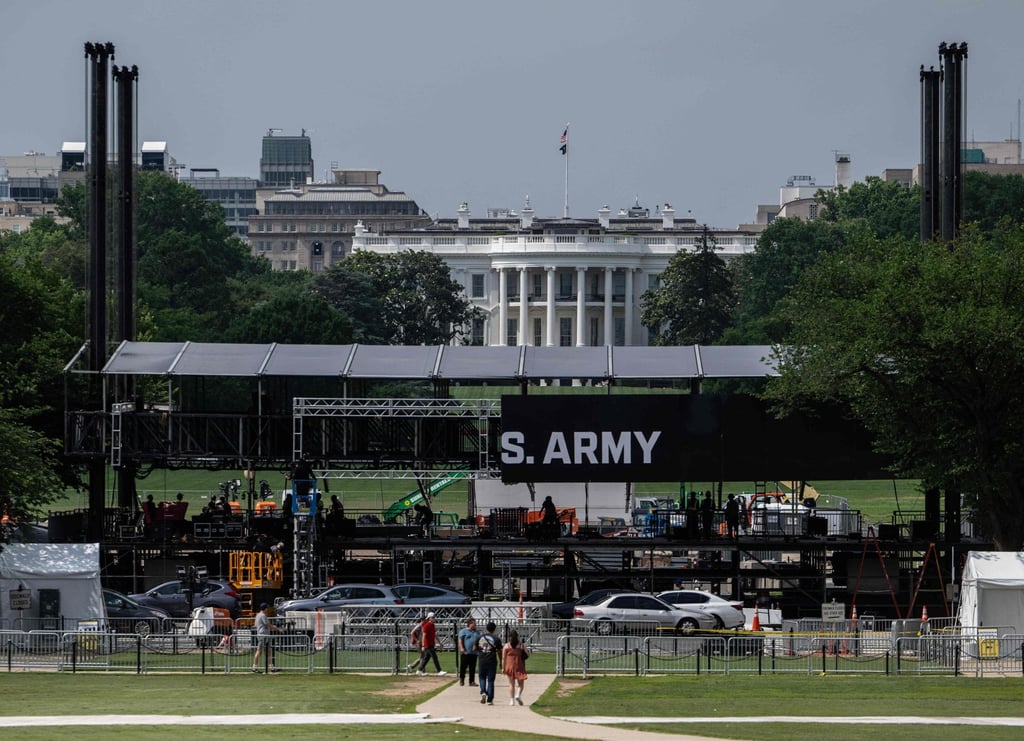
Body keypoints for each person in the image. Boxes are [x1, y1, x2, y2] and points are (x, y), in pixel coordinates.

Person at [475, 621, 502, 705]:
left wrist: (481, 650)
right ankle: (490, 699)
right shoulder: (496, 639)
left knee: (482, 677)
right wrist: (501, 661)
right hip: (491, 660)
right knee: (490, 680)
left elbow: (474, 648)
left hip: (482, 659)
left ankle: (483, 692)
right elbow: (499, 651)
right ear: (494, 629)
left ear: (486, 628)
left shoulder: (480, 637)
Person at [252, 602, 283, 673]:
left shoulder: (258, 615)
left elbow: (258, 625)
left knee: (269, 651)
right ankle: (254, 667)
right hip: (263, 635)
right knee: (259, 651)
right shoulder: (262, 615)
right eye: (267, 608)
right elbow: (267, 624)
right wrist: (277, 628)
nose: (268, 609)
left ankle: (271, 666)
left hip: (264, 634)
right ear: (265, 609)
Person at [501, 629, 529, 706]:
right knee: (521, 684)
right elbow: (527, 654)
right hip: (519, 665)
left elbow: (503, 658)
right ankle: (518, 694)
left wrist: (503, 668)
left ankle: (511, 700)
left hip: (509, 665)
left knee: (511, 684)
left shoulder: (506, 646)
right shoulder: (520, 645)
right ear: (517, 637)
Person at [415, 611, 446, 676]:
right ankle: (439, 671)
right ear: (429, 618)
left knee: (426, 658)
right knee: (435, 657)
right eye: (433, 617)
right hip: (428, 645)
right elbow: (424, 636)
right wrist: (423, 645)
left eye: (434, 617)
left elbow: (435, 635)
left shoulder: (432, 625)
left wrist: (440, 643)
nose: (434, 618)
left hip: (431, 644)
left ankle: (419, 670)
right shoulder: (426, 625)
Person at [456, 617, 481, 687]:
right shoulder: (463, 631)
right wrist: (461, 648)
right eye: (474, 624)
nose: (475, 625)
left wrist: (477, 647)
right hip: (466, 652)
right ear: (469, 624)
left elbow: (480, 640)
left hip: (474, 653)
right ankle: (462, 679)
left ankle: (471, 681)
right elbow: (460, 640)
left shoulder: (477, 632)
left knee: (472, 668)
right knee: (463, 667)